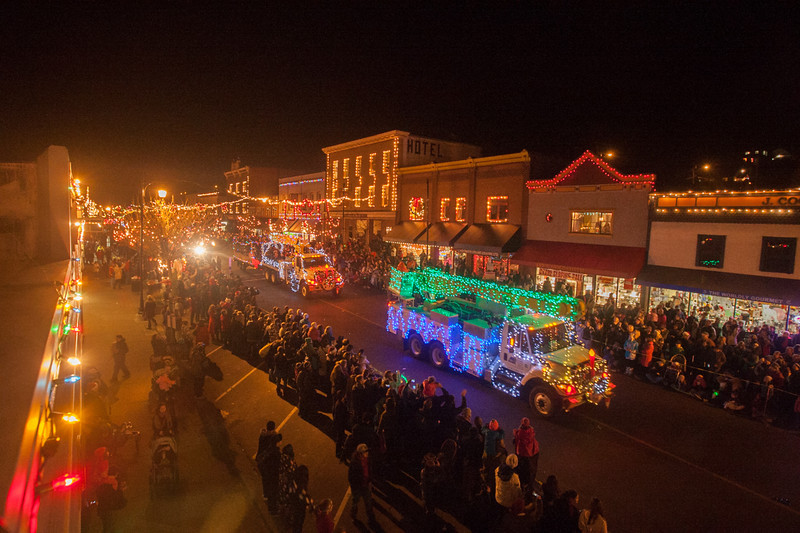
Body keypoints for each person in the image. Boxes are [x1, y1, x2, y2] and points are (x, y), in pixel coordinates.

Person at [256, 420, 283, 514]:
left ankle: (265, 494)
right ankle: (271, 503)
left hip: (261, 461)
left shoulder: (262, 436)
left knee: (265, 479)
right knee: (270, 482)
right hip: (266, 464)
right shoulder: (271, 440)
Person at [348, 443, 377, 525]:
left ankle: (371, 518)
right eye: (365, 452)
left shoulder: (368, 459)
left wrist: (370, 480)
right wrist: (354, 487)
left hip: (366, 485)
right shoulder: (354, 463)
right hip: (358, 487)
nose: (367, 453)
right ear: (360, 454)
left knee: (368, 502)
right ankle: (353, 516)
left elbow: (370, 470)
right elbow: (350, 477)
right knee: (355, 502)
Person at [513, 417, 539, 490]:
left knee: (523, 468)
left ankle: (524, 482)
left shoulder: (520, 433)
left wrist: (515, 433)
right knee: (531, 468)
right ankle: (530, 482)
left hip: (522, 453)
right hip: (532, 452)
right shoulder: (531, 431)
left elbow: (517, 437)